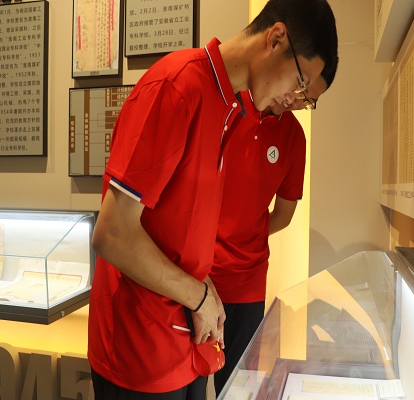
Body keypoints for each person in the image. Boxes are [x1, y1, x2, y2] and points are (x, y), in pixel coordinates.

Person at [87, 0, 339, 399]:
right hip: (140, 346)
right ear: (276, 39)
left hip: (181, 335)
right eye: (300, 81)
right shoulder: (177, 86)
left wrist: (202, 289)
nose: (294, 97)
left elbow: (178, 221)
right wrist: (200, 295)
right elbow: (113, 233)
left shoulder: (226, 104)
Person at [209, 62, 338, 396]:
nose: (296, 101)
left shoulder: (294, 137)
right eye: (300, 88)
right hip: (199, 272)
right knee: (189, 379)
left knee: (237, 384)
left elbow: (284, 214)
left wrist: (246, 232)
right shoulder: (229, 106)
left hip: (247, 281)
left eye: (307, 100)